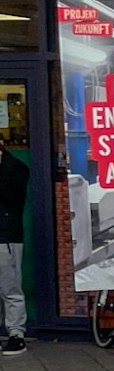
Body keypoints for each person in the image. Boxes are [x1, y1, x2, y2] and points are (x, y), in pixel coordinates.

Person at [0, 139, 27, 355]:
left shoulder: (16, 168)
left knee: (10, 288)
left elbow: (13, 199)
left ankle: (16, 334)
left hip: (6, 236)